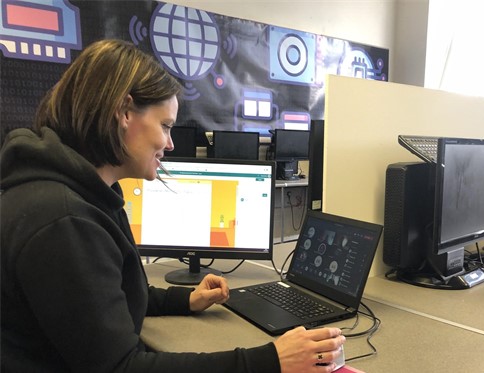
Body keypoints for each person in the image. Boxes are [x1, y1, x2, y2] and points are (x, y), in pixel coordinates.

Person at [0, 39, 345, 373]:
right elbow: (120, 367)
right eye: (165, 126)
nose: (170, 142)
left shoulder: (86, 192)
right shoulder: (64, 219)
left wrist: (185, 300)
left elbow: (101, 298)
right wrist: (271, 361)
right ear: (123, 112)